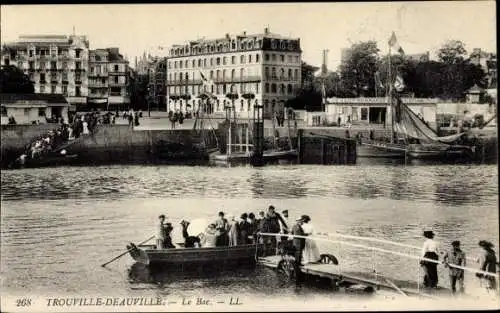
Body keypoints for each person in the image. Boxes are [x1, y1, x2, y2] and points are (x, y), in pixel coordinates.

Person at [291, 216, 306, 282]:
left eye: (301, 221)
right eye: (300, 221)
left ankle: (298, 262)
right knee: (298, 252)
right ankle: (297, 264)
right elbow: (299, 234)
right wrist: (305, 234)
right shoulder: (296, 227)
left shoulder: (297, 226)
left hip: (299, 242)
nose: (301, 222)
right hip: (298, 242)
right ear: (297, 221)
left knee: (300, 252)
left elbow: (292, 232)